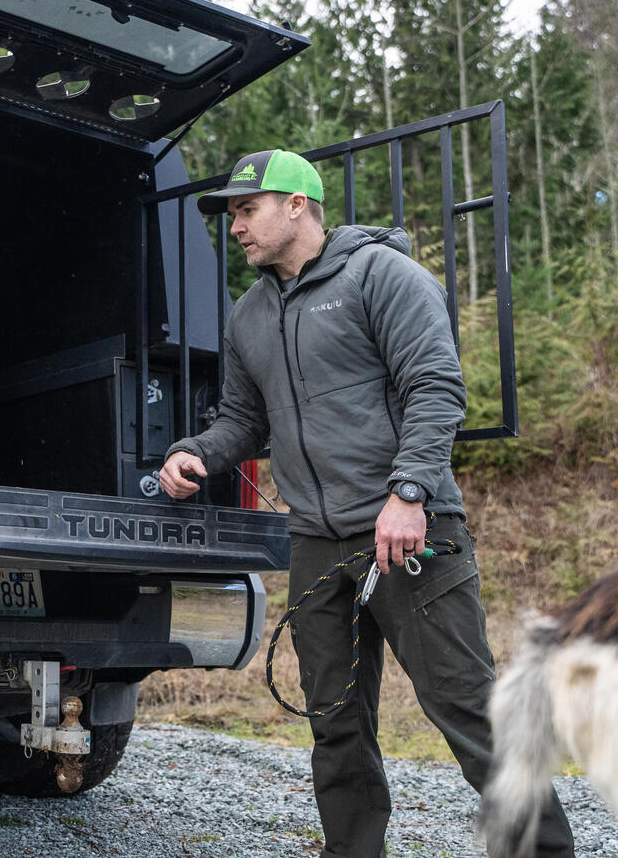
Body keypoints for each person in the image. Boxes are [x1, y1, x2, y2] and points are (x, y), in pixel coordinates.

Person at [157, 149, 574, 858]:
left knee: (468, 711)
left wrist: (409, 492)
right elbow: (243, 420)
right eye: (230, 216)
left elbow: (436, 386)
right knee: (336, 722)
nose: (236, 227)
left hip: (409, 530)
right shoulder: (249, 314)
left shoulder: (382, 276)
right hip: (318, 541)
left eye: (247, 209)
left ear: (298, 205)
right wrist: (196, 451)